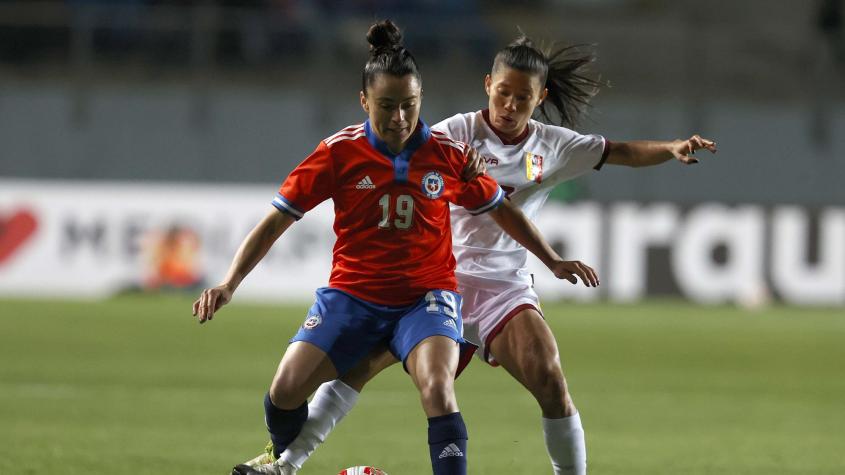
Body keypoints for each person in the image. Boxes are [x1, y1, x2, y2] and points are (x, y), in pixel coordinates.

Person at [242, 35, 718, 475]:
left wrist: (671, 147)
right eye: (502, 93)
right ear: (488, 85)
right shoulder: (453, 132)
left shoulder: (553, 146)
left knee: (549, 378)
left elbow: (622, 152)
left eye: (523, 98)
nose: (509, 106)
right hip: (432, 279)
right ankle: (284, 463)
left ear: (541, 99)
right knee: (353, 373)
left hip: (501, 288)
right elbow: (403, 144)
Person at [193, 21, 599, 475]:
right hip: (354, 296)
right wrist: (229, 282)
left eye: (409, 105)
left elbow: (501, 209)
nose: (400, 118)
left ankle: (284, 464)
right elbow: (275, 221)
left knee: (438, 389)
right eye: (387, 106)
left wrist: (552, 260)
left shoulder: (447, 155)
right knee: (284, 394)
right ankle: (281, 460)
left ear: (421, 101)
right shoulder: (337, 153)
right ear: (364, 101)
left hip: (426, 298)